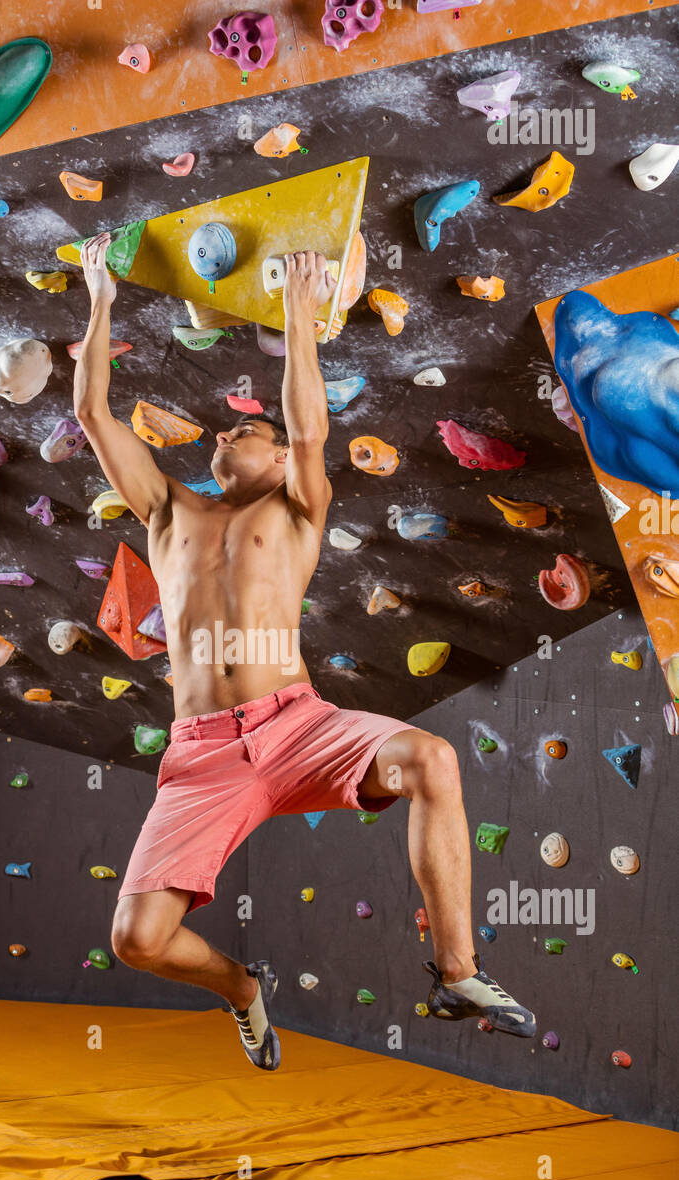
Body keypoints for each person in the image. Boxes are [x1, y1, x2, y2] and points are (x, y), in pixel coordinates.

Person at [73, 232, 535, 1070]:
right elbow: (93, 417)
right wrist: (102, 299)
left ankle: (459, 972)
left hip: (298, 725)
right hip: (202, 756)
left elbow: (311, 427)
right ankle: (242, 988)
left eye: (248, 429)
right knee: (138, 940)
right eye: (227, 428)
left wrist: (298, 305)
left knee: (431, 760)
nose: (227, 430)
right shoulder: (168, 512)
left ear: (282, 458)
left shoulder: (297, 508)